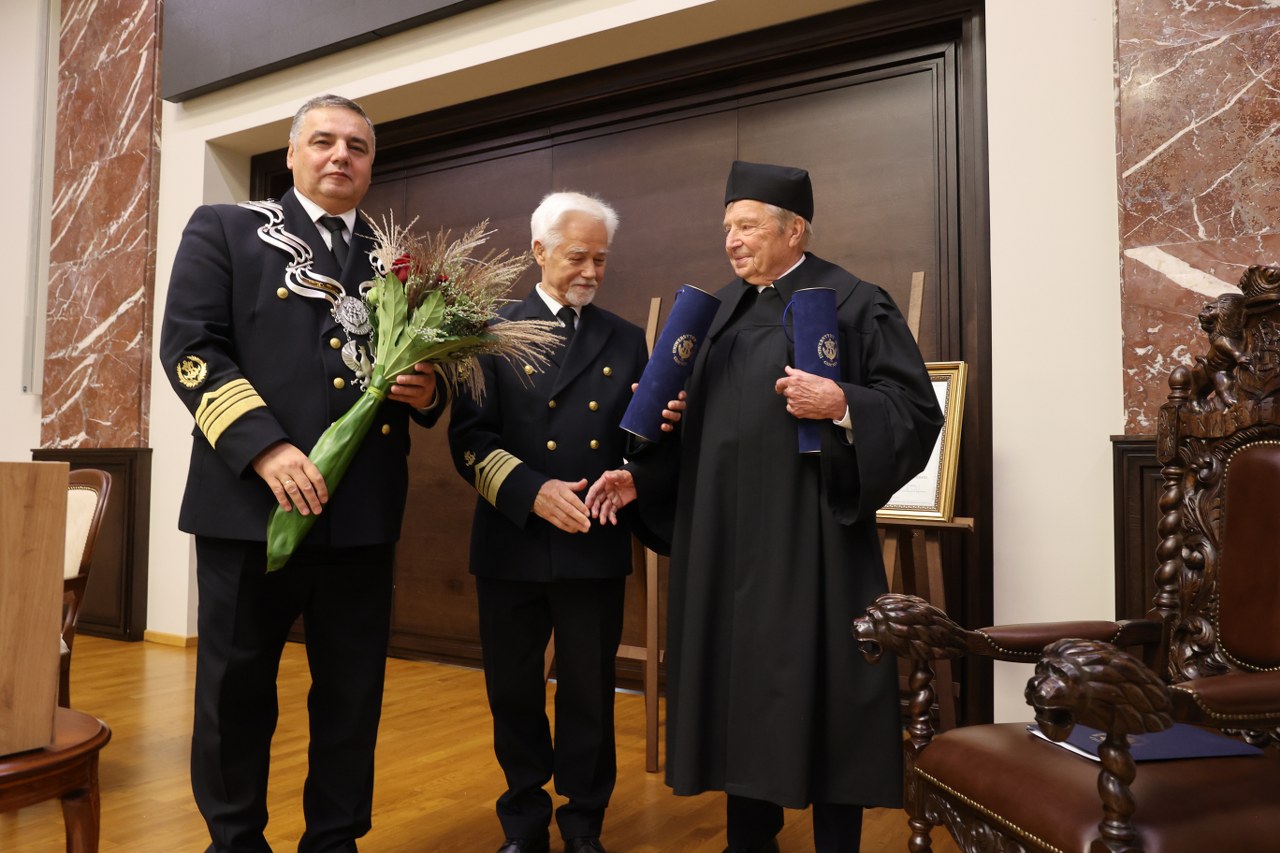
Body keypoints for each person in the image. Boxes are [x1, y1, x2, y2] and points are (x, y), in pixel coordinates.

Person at [586, 161, 944, 853]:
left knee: (832, 695)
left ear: (794, 229)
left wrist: (843, 403)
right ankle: (750, 841)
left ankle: (837, 843)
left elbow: (915, 412)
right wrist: (648, 471)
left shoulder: (854, 302)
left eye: (746, 226)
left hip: (813, 544)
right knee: (737, 693)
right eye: (727, 227)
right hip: (725, 546)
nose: (732, 241)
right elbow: (701, 430)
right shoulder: (714, 315)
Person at [160, 94, 445, 853]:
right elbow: (190, 348)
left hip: (360, 515)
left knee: (352, 697)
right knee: (236, 692)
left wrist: (429, 389)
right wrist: (265, 447)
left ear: (371, 163)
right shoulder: (227, 228)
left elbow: (423, 367)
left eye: (356, 145)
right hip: (250, 507)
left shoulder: (395, 260)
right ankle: (235, 840)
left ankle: (335, 840)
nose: (340, 156)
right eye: (322, 141)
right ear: (291, 154)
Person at [448, 192, 649, 853]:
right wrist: (532, 491)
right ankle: (524, 822)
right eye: (577, 256)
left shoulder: (626, 337)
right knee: (514, 690)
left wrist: (636, 465)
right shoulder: (491, 329)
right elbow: (468, 438)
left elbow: (639, 440)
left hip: (594, 539)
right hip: (513, 537)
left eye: (601, 258)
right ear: (538, 251)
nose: (591, 270)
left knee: (590, 694)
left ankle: (585, 825)